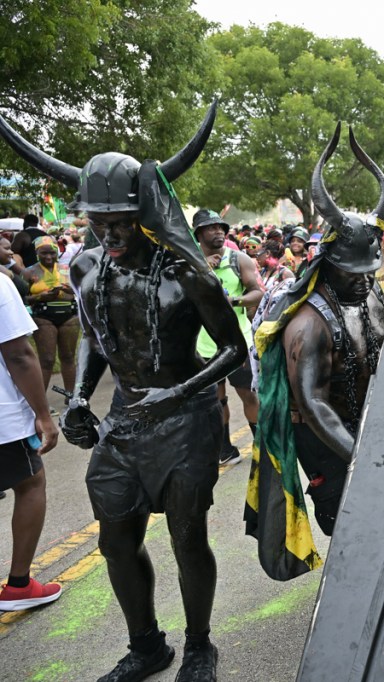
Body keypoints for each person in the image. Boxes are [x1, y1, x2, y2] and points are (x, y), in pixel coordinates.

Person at [0, 101, 247, 681]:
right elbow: (95, 336)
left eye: (120, 223)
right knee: (116, 543)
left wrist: (181, 391)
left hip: (184, 421)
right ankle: (146, 645)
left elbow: (234, 349)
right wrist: (82, 397)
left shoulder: (189, 273)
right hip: (122, 423)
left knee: (189, 541)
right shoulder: (86, 267)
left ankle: (199, 647)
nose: (107, 235)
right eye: (97, 222)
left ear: (145, 213)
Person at [246, 125, 384, 574]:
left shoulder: (368, 296)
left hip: (366, 425)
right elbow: (313, 405)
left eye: (370, 269)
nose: (365, 279)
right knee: (349, 524)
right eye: (353, 271)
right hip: (327, 437)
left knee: (383, 519)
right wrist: (360, 454)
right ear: (328, 262)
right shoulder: (308, 325)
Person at [0, 272, 61, 612]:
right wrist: (43, 415)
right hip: (2, 417)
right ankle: (19, 585)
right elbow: (19, 354)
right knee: (31, 482)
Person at [193, 208, 264, 466]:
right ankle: (225, 448)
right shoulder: (190, 262)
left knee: (248, 394)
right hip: (204, 344)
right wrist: (201, 271)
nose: (219, 232)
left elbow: (257, 292)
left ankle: (261, 445)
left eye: (221, 227)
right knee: (216, 398)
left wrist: (233, 300)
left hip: (238, 342)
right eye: (212, 228)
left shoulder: (240, 259)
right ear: (199, 233)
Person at [20, 235, 79, 396]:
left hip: (69, 315)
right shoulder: (29, 272)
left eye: (52, 253)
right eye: (43, 253)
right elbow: (22, 299)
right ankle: (39, 400)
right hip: (43, 317)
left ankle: (71, 396)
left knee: (68, 357)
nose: (48, 257)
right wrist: (40, 297)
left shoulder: (67, 269)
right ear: (37, 253)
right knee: (47, 360)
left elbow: (81, 291)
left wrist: (70, 290)